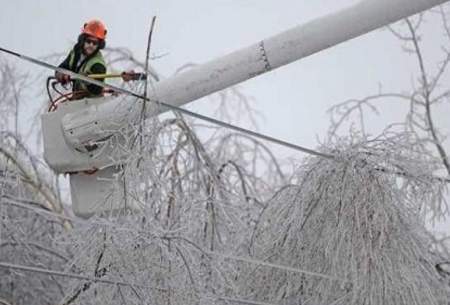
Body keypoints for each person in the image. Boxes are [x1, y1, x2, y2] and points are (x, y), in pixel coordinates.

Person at [55, 19, 109, 99]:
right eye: (88, 41)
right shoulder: (75, 53)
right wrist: (61, 75)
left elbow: (97, 89)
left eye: (95, 43)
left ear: (99, 45)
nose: (91, 45)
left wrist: (89, 82)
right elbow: (62, 68)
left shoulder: (98, 64)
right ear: (83, 40)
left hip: (93, 104)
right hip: (77, 100)